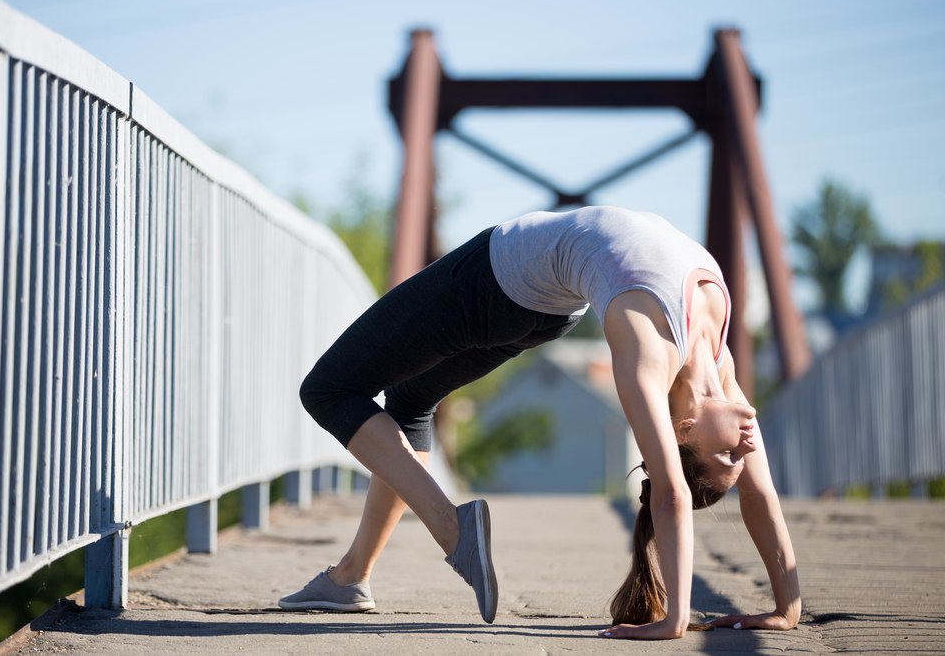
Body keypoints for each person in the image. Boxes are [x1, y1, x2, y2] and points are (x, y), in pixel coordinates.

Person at [279, 205, 801, 639]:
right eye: (739, 456)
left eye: (728, 456)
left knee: (327, 389)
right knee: (411, 403)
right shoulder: (716, 363)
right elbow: (759, 494)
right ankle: (350, 579)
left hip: (495, 280)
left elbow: (671, 493)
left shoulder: (649, 352)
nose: (747, 446)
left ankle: (450, 527)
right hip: (543, 310)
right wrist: (787, 607)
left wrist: (674, 619)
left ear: (682, 431)